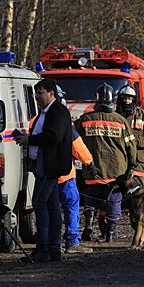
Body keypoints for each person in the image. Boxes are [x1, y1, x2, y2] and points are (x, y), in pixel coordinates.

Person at [15, 78, 72, 262]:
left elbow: (54, 136)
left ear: (51, 93)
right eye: (36, 93)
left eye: (40, 93)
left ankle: (43, 248)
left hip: (50, 166)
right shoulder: (45, 112)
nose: (37, 97)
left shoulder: (58, 112)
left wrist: (30, 140)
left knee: (39, 203)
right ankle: (53, 248)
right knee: (52, 205)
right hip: (45, 164)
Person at [75, 83, 137, 243]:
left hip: (92, 169)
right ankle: (110, 234)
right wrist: (132, 166)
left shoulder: (84, 120)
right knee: (114, 200)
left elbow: (74, 142)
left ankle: (89, 224)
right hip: (116, 171)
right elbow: (131, 147)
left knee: (91, 197)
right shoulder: (121, 121)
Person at [55, 86, 95, 254]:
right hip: (65, 175)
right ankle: (72, 242)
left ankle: (53, 243)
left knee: (51, 210)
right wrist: (89, 163)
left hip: (44, 175)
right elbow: (77, 146)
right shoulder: (64, 121)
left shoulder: (37, 120)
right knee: (71, 206)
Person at [115, 84, 144, 186]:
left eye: (129, 99)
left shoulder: (141, 116)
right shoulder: (114, 117)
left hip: (137, 164)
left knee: (138, 196)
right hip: (118, 162)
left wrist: (132, 141)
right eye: (124, 99)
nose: (127, 101)